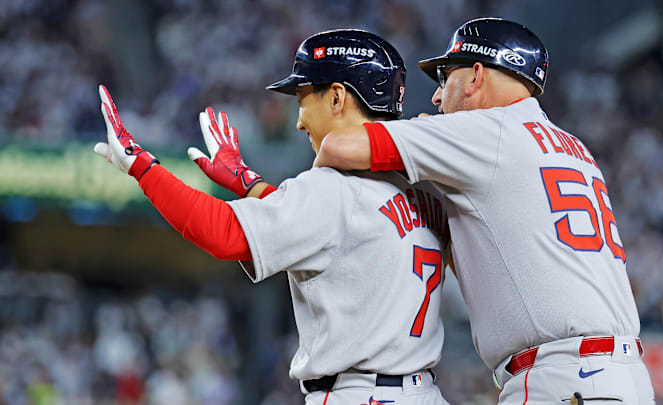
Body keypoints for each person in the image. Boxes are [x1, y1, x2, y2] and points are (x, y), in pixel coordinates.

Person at [94, 29, 451, 405]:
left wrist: (143, 168)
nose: (298, 122)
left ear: (336, 97)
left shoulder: (332, 187)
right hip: (424, 393)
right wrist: (250, 184)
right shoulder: (424, 189)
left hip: (359, 395)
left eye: (302, 99)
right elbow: (338, 226)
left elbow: (223, 233)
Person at [314, 18, 655, 404]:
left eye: (445, 78)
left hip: (566, 380)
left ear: (475, 75)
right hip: (618, 377)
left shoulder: (486, 131)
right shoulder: (573, 146)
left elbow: (338, 145)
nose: (437, 97)